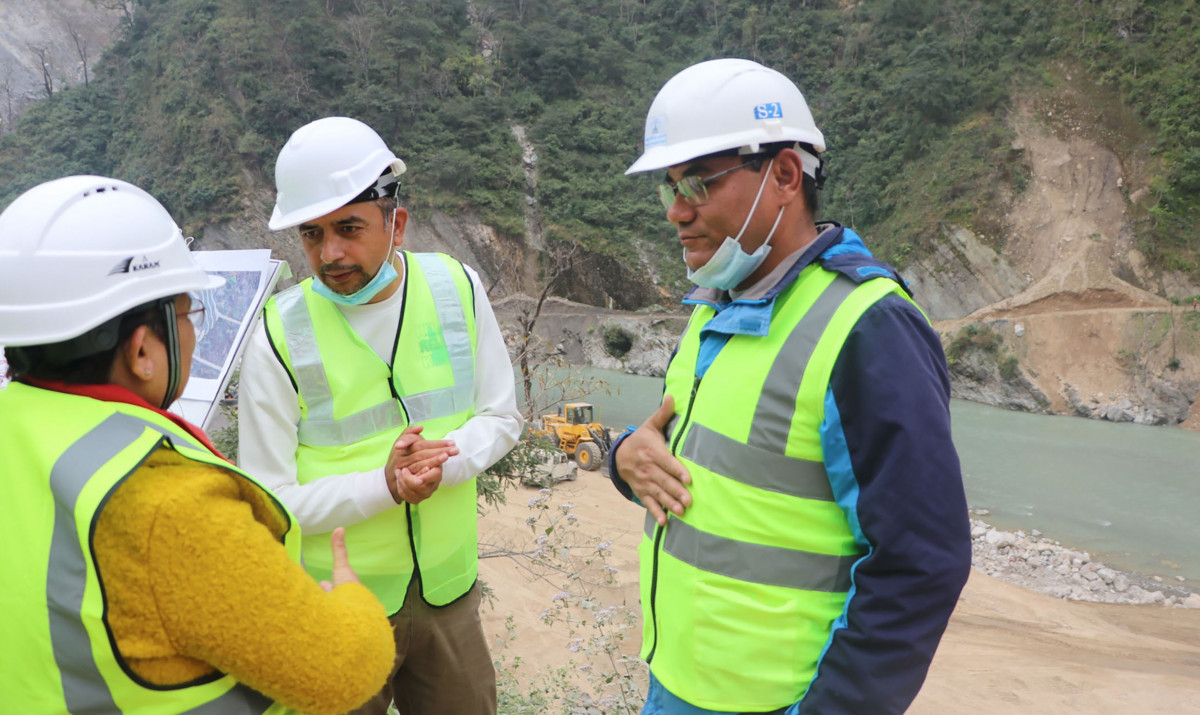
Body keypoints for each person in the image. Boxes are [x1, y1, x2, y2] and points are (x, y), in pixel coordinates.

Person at [609, 59, 972, 714]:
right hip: (675, 687)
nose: (677, 212)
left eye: (698, 182)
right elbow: (712, 467)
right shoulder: (715, 307)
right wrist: (624, 457)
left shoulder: (867, 327)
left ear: (783, 175)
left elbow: (920, 563)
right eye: (669, 189)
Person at [0, 175, 395, 714]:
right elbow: (339, 670)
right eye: (189, 314)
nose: (191, 333)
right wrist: (353, 600)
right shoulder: (169, 502)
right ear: (143, 351)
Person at [238, 116, 523, 715]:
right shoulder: (278, 335)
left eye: (349, 228)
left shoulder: (456, 288)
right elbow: (269, 500)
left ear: (397, 223)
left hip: (448, 595)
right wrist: (385, 486)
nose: (330, 254)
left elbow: (501, 417)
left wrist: (441, 465)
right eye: (311, 234)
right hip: (335, 602)